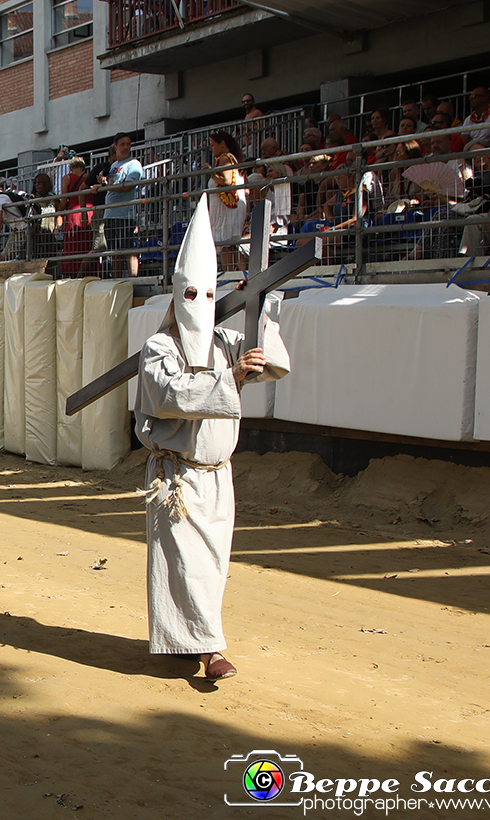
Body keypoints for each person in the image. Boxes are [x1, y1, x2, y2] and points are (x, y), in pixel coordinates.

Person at [135, 194, 287, 682]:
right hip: (176, 479)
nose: (199, 306)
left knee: (208, 567)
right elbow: (169, 395)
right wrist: (231, 380)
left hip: (218, 476)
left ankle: (184, 640)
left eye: (207, 295)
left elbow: (273, 365)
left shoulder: (226, 340)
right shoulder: (160, 346)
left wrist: (261, 310)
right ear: (178, 296)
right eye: (190, 296)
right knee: (189, 563)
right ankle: (211, 651)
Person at [96, 132, 144, 277]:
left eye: (128, 144)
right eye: (122, 144)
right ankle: (116, 281)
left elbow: (128, 186)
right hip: (110, 215)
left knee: (128, 250)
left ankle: (134, 279)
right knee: (115, 252)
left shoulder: (134, 164)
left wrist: (104, 187)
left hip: (125, 215)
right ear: (115, 146)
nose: (126, 147)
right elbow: (112, 184)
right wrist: (102, 184)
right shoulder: (114, 165)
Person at [207, 131, 248, 269]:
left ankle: (229, 276)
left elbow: (226, 180)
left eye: (213, 145)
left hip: (226, 211)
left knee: (225, 244)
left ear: (222, 144)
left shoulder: (225, 158)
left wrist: (210, 171)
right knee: (232, 246)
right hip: (231, 208)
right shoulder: (233, 158)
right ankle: (238, 276)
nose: (211, 149)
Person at [57, 156, 93, 276]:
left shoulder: (67, 178)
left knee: (73, 244)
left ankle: (73, 272)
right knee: (87, 243)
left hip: (73, 213)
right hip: (89, 212)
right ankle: (88, 271)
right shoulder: (89, 178)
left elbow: (63, 201)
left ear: (70, 167)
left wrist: (58, 210)